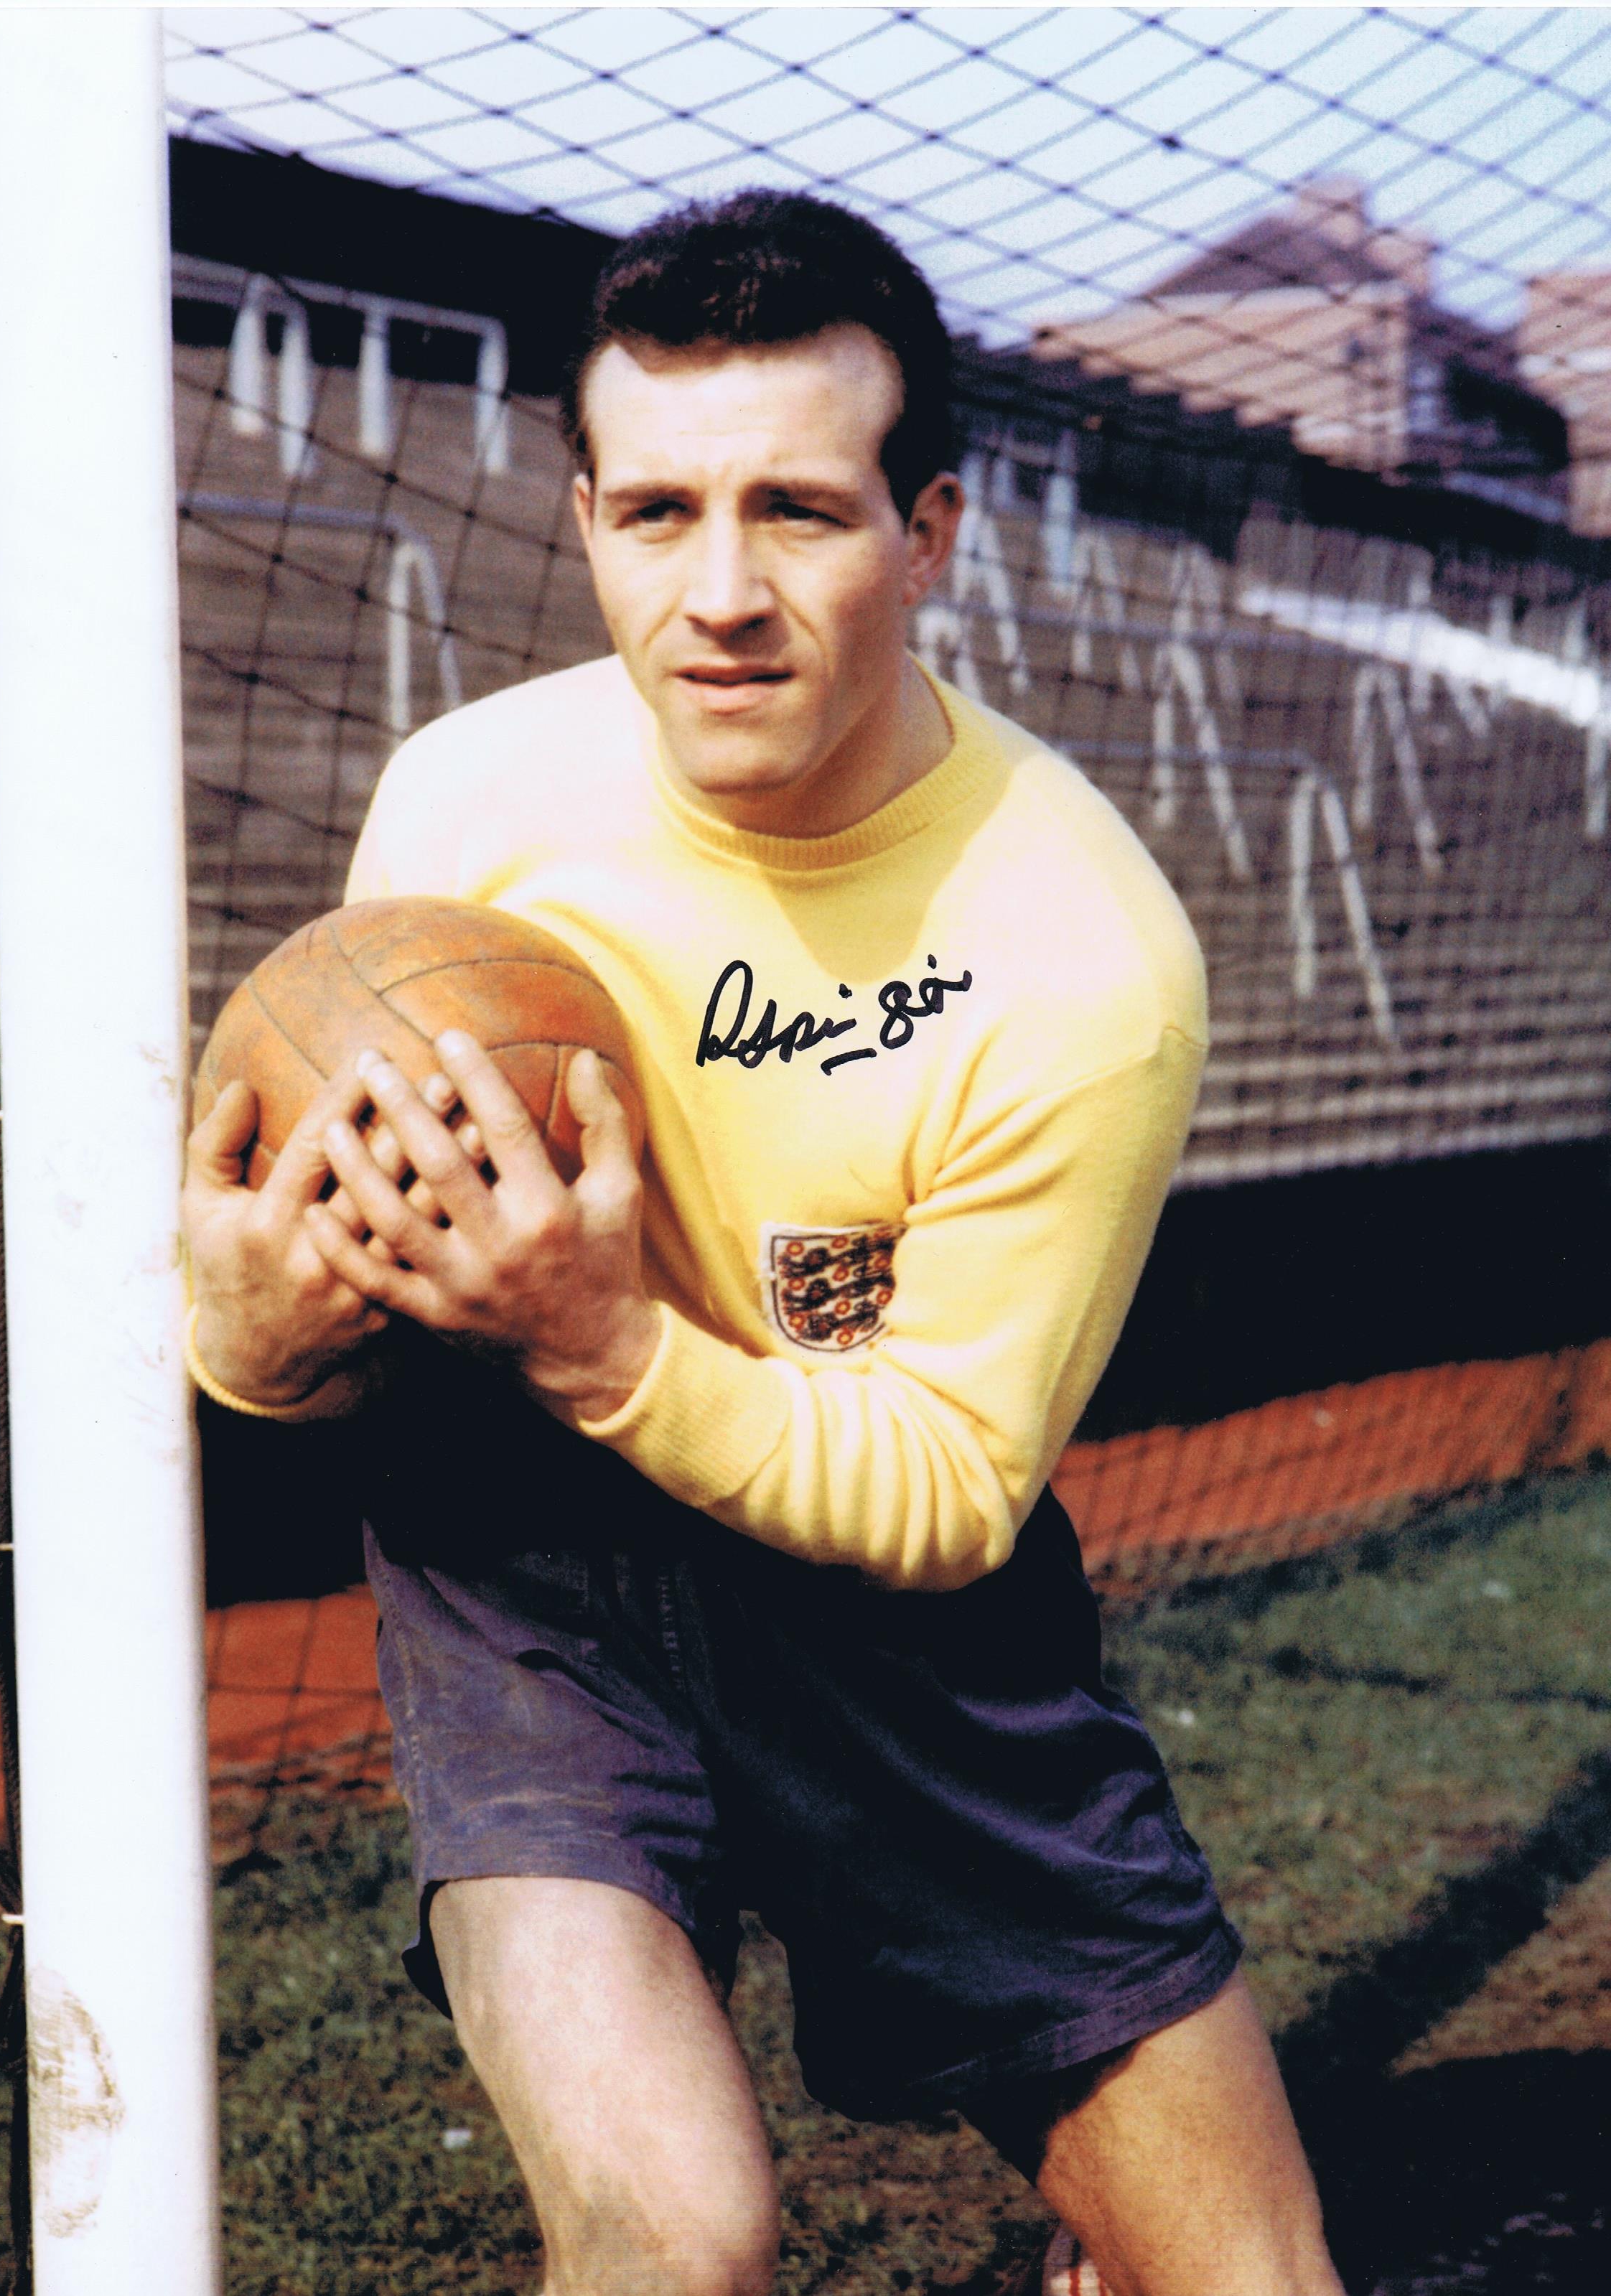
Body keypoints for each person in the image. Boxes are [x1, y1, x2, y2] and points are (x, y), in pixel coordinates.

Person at [182, 192, 1342, 2296]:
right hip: (525, 1576)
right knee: (673, 2242)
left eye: (798, 513)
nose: (716, 597)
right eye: (655, 513)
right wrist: (260, 1342)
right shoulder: (465, 806)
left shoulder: (1083, 955)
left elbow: (946, 1490)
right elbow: (332, 1285)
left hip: (908, 1646)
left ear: (937, 534)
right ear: (590, 517)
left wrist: (613, 1335)